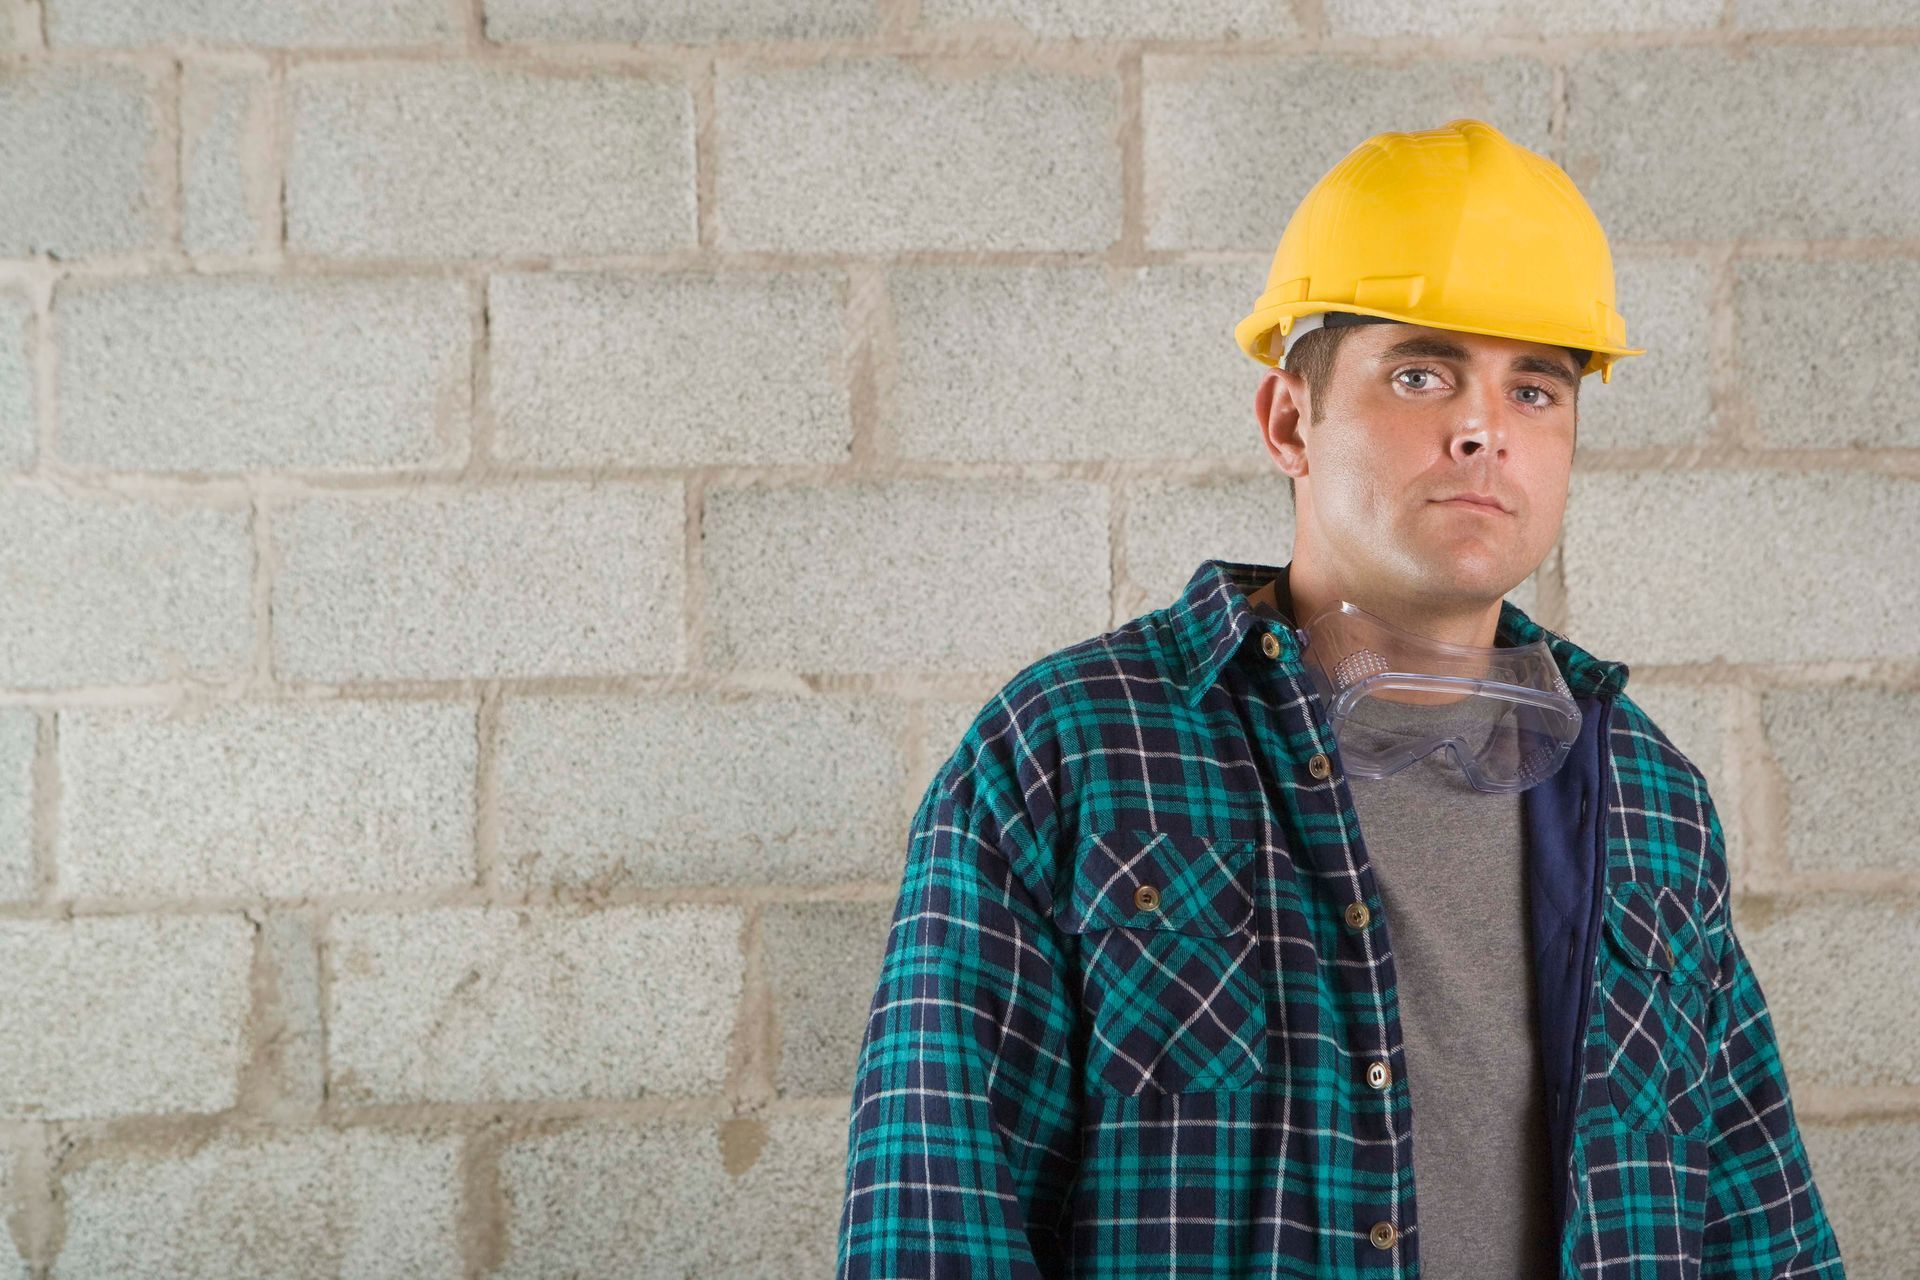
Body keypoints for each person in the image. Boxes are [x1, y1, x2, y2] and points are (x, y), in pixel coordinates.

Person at [833, 118, 1844, 1279]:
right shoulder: (1074, 749)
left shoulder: (1648, 794)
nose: (1482, 428)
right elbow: (934, 1212)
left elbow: (1760, 1229)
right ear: (1288, 420)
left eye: (1536, 389)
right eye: (1421, 372)